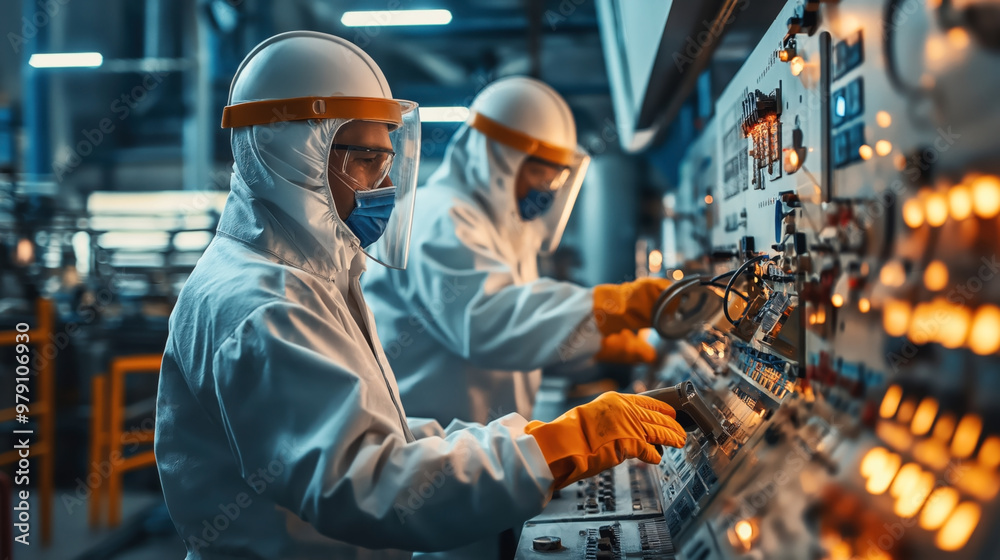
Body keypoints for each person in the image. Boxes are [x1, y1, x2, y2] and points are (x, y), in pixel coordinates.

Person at [154, 31, 687, 559]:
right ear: (290, 151)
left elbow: (380, 434)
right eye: (364, 159)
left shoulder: (306, 275)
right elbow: (370, 484)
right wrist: (559, 445)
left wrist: (540, 441)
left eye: (387, 161)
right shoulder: (265, 304)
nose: (383, 185)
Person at [362, 76, 672, 428]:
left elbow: (523, 342)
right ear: (496, 158)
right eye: (538, 171)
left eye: (554, 178)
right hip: (433, 449)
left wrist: (594, 345)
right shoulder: (440, 217)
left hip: (478, 447)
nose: (546, 189)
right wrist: (614, 307)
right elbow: (488, 323)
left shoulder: (502, 228)